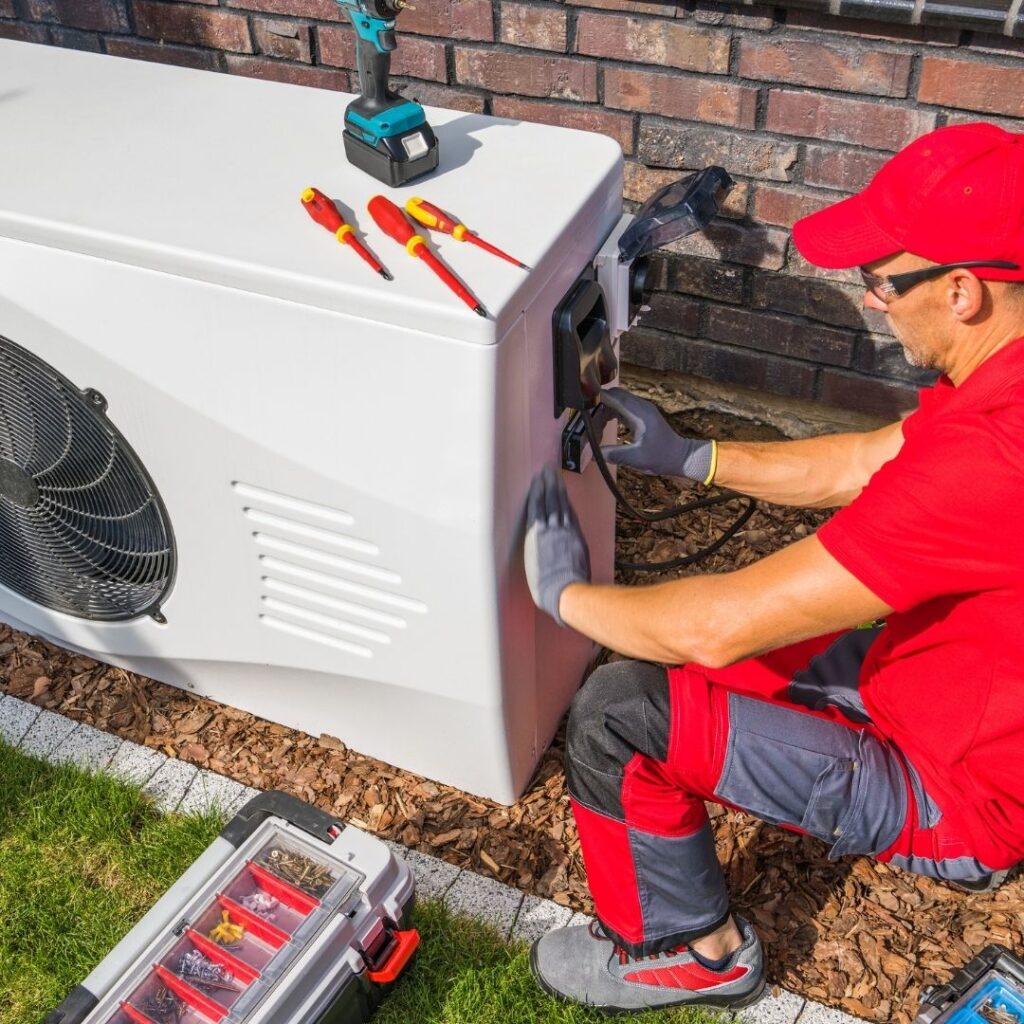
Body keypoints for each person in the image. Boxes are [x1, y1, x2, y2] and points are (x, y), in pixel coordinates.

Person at [522, 121, 1024, 1014]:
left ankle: (686, 953)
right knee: (667, 661)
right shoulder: (999, 381)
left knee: (617, 712)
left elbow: (713, 627)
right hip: (929, 686)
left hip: (958, 790)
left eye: (881, 281)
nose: (871, 302)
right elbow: (864, 462)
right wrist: (694, 458)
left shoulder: (998, 456)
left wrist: (561, 595)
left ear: (961, 292)